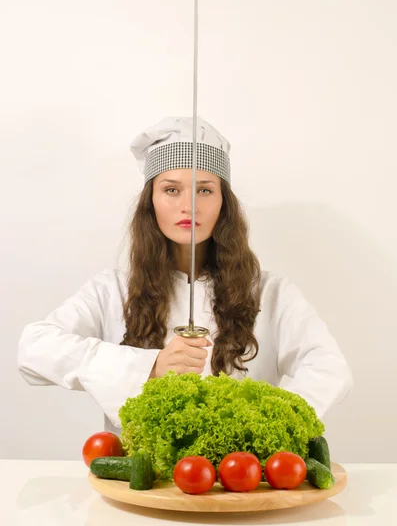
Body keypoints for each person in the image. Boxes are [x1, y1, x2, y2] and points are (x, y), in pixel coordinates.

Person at [17, 116, 353, 435]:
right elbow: (34, 350)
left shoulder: (270, 293)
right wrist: (147, 367)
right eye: (171, 189)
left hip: (237, 482)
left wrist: (264, 425)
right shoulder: (112, 289)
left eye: (205, 190)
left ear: (224, 203)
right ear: (151, 201)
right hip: (145, 486)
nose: (189, 206)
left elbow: (328, 368)